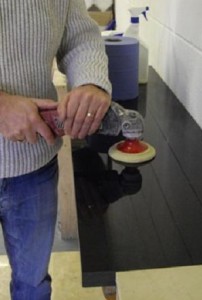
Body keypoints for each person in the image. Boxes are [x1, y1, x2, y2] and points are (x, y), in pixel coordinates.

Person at [0, 0, 112, 299]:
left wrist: (90, 83)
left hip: (33, 163)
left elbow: (79, 38)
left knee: (33, 283)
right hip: (35, 156)